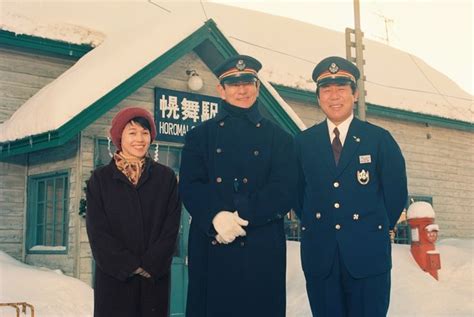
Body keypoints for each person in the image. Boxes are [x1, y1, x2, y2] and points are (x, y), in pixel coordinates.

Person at [179, 55, 297, 317]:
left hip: (261, 250)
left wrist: (242, 215)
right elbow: (190, 185)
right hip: (213, 244)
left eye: (248, 82)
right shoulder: (200, 137)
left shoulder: (280, 139)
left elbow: (285, 189)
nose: (241, 90)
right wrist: (216, 217)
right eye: (233, 83)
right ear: (221, 89)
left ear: (257, 87)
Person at [295, 56, 408, 317]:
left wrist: (369, 227)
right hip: (321, 256)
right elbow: (298, 196)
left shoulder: (379, 139)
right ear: (318, 97)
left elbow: (395, 194)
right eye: (327, 89)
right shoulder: (303, 143)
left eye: (341, 89)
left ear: (355, 94)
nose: (334, 96)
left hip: (368, 256)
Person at [86, 107, 181, 317]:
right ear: (120, 137)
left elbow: (171, 227)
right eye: (132, 132)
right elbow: (97, 232)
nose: (140, 139)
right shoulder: (100, 180)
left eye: (145, 133)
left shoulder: (165, 178)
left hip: (153, 279)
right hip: (114, 280)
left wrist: (150, 264)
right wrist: (128, 265)